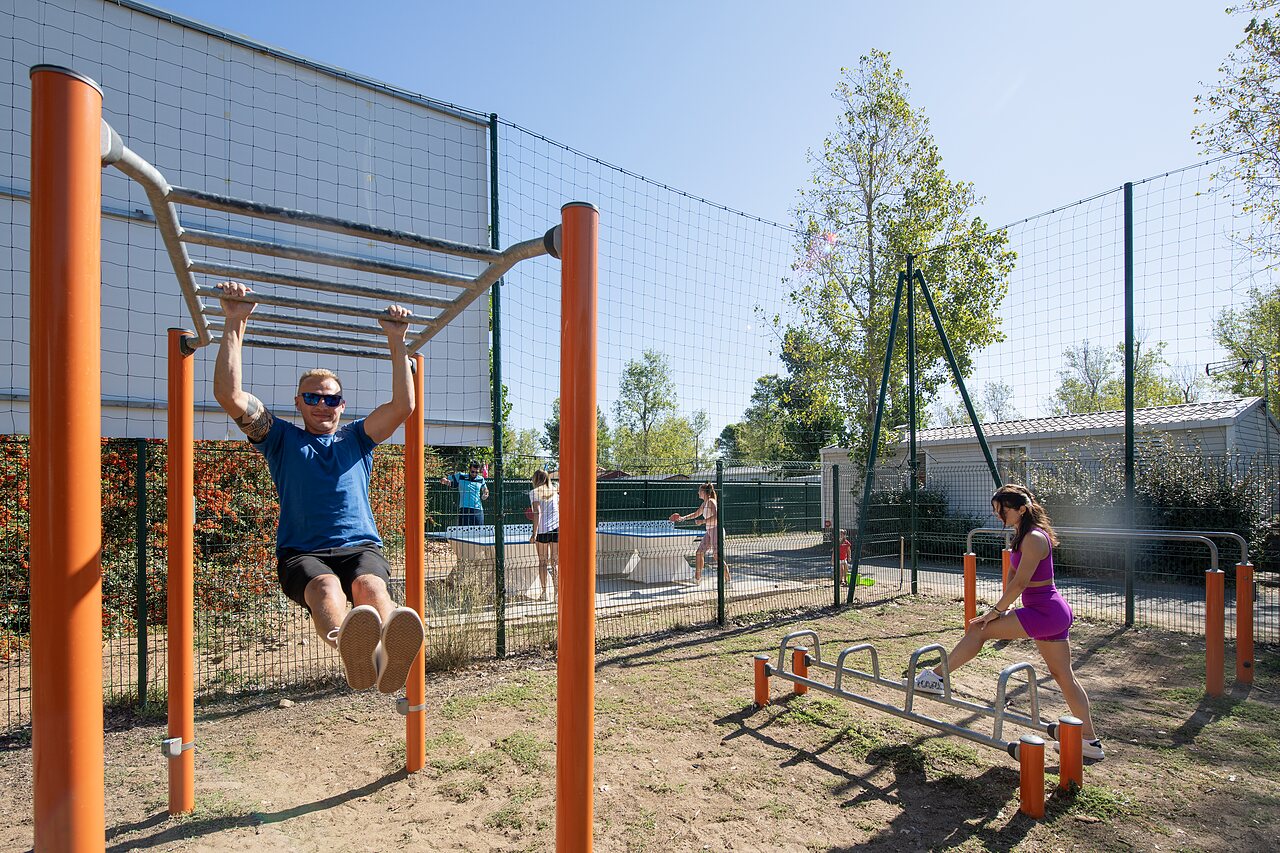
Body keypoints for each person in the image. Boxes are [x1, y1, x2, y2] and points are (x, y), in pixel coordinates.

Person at [211, 280, 425, 695]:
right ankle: (352, 646)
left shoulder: (358, 438)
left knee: (370, 587)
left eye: (331, 399)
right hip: (302, 552)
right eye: (313, 398)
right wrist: (235, 322)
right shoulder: (280, 438)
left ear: (342, 405)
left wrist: (397, 342)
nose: (322, 405)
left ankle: (388, 649)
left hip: (360, 546)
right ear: (298, 402)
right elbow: (230, 395)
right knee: (326, 588)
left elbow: (403, 407)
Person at [911, 484, 1104, 760]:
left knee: (979, 630)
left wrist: (995, 611)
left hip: (1045, 612)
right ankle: (1089, 741)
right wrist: (1005, 607)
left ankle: (935, 677)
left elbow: (1022, 582)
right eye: (996, 510)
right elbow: (1013, 578)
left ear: (1022, 509)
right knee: (1064, 676)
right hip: (1048, 612)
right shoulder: (1021, 535)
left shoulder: (1034, 538)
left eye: (1002, 510)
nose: (998, 515)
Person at [674, 482, 729, 586]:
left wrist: (702, 521)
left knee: (717, 556)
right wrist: (683, 518)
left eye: (699, 490)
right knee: (699, 552)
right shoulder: (705, 503)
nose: (698, 492)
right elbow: (696, 514)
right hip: (709, 531)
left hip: (716, 530)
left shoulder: (712, 502)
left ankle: (728, 580)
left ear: (704, 492)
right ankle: (697, 579)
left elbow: (717, 517)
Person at [528, 469, 559, 600]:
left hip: (542, 530)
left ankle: (545, 592)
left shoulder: (534, 493)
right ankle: (558, 592)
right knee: (555, 561)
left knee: (542, 561)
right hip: (556, 529)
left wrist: (534, 534)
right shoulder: (555, 492)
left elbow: (537, 513)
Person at [441, 461, 489, 526]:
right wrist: (445, 480)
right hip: (464, 509)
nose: (474, 474)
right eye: (472, 472)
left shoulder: (481, 479)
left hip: (478, 509)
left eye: (476, 472)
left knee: (479, 533)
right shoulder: (460, 476)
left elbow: (485, 489)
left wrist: (485, 494)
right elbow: (444, 479)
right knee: (464, 532)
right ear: (469, 469)